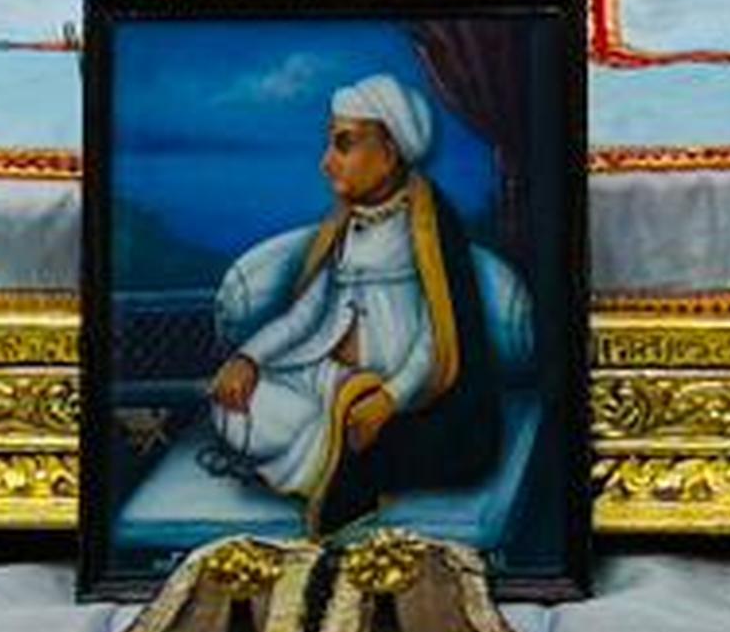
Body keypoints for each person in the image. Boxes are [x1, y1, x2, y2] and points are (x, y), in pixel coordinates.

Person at [202, 65, 535, 533]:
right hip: (325, 379)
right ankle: (325, 446)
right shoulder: (344, 225)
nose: (326, 163)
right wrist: (248, 359)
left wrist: (390, 399)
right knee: (230, 403)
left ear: (390, 152)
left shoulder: (428, 226)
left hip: (402, 394)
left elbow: (437, 337)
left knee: (389, 437)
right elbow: (304, 317)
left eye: (344, 144)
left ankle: (317, 455)